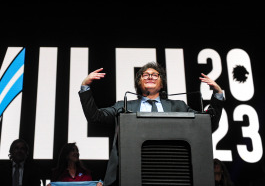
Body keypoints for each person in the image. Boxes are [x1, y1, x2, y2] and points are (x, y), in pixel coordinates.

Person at [79, 62, 224, 186]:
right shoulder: (123, 106)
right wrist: (85, 87)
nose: (149, 76)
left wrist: (217, 95)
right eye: (145, 75)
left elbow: (206, 125)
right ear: (139, 83)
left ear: (161, 84)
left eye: (155, 75)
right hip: (131, 173)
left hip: (173, 173)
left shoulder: (179, 106)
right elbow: (95, 117)